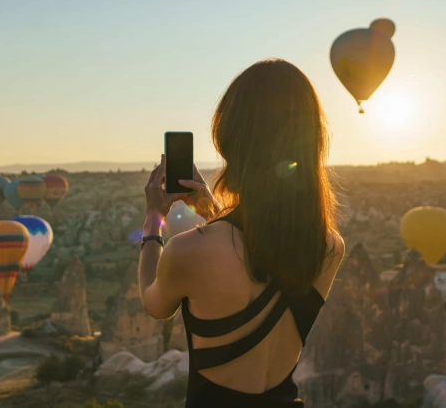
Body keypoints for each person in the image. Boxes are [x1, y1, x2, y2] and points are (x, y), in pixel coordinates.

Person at [139, 59, 345, 407]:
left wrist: (151, 221)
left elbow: (155, 304)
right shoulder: (328, 246)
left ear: (231, 139)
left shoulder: (189, 250)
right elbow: (259, 253)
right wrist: (210, 210)